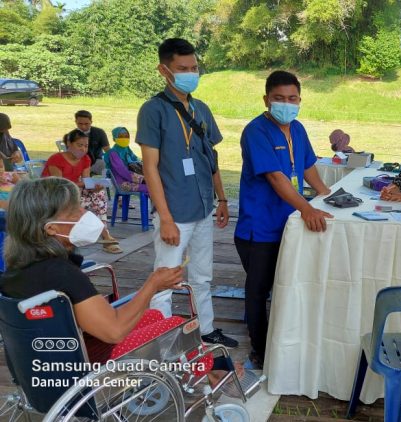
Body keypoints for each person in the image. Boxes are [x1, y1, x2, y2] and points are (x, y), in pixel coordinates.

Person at [0, 177, 249, 395]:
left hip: (45, 365)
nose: (84, 213)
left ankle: (204, 367)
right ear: (51, 228)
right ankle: (211, 371)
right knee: (175, 327)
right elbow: (114, 332)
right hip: (83, 371)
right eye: (74, 211)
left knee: (152, 316)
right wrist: (153, 284)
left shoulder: (16, 272)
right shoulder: (62, 274)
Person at [136, 38, 237, 348]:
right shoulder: (153, 110)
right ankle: (162, 338)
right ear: (164, 70)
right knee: (165, 278)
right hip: (175, 212)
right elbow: (150, 167)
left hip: (203, 206)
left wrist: (221, 199)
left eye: (194, 68)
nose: (190, 73)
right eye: (183, 68)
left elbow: (212, 159)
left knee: (202, 276)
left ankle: (206, 330)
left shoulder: (201, 109)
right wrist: (165, 218)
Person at [234, 70, 332, 369]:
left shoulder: (298, 128)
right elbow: (277, 178)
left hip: (289, 225)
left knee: (287, 285)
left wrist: (327, 196)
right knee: (258, 289)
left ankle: (284, 340)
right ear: (266, 99)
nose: (286, 104)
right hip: (259, 226)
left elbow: (308, 168)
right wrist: (307, 209)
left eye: (292, 98)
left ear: (300, 100)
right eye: (279, 99)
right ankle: (261, 350)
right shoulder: (256, 131)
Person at [42, 129, 122, 254]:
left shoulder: (85, 159)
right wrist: (84, 184)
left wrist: (94, 186)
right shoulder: (56, 159)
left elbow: (86, 180)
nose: (83, 149)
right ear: (69, 143)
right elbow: (58, 184)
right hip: (53, 193)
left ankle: (105, 234)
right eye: (79, 145)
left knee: (98, 194)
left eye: (85, 146)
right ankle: (104, 236)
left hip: (74, 190)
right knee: (86, 199)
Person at [104, 127, 148, 193]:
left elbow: (137, 161)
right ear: (114, 139)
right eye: (121, 136)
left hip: (132, 181)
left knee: (155, 186)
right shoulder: (113, 153)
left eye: (126, 136)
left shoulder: (127, 150)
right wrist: (142, 179)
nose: (124, 138)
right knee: (152, 188)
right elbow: (123, 171)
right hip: (122, 183)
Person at [74, 110, 110, 175]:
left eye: (86, 124)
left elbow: (107, 150)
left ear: (91, 122)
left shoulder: (99, 132)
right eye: (80, 124)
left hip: (97, 163)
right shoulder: (72, 135)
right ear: (76, 122)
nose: (83, 127)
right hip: (78, 164)